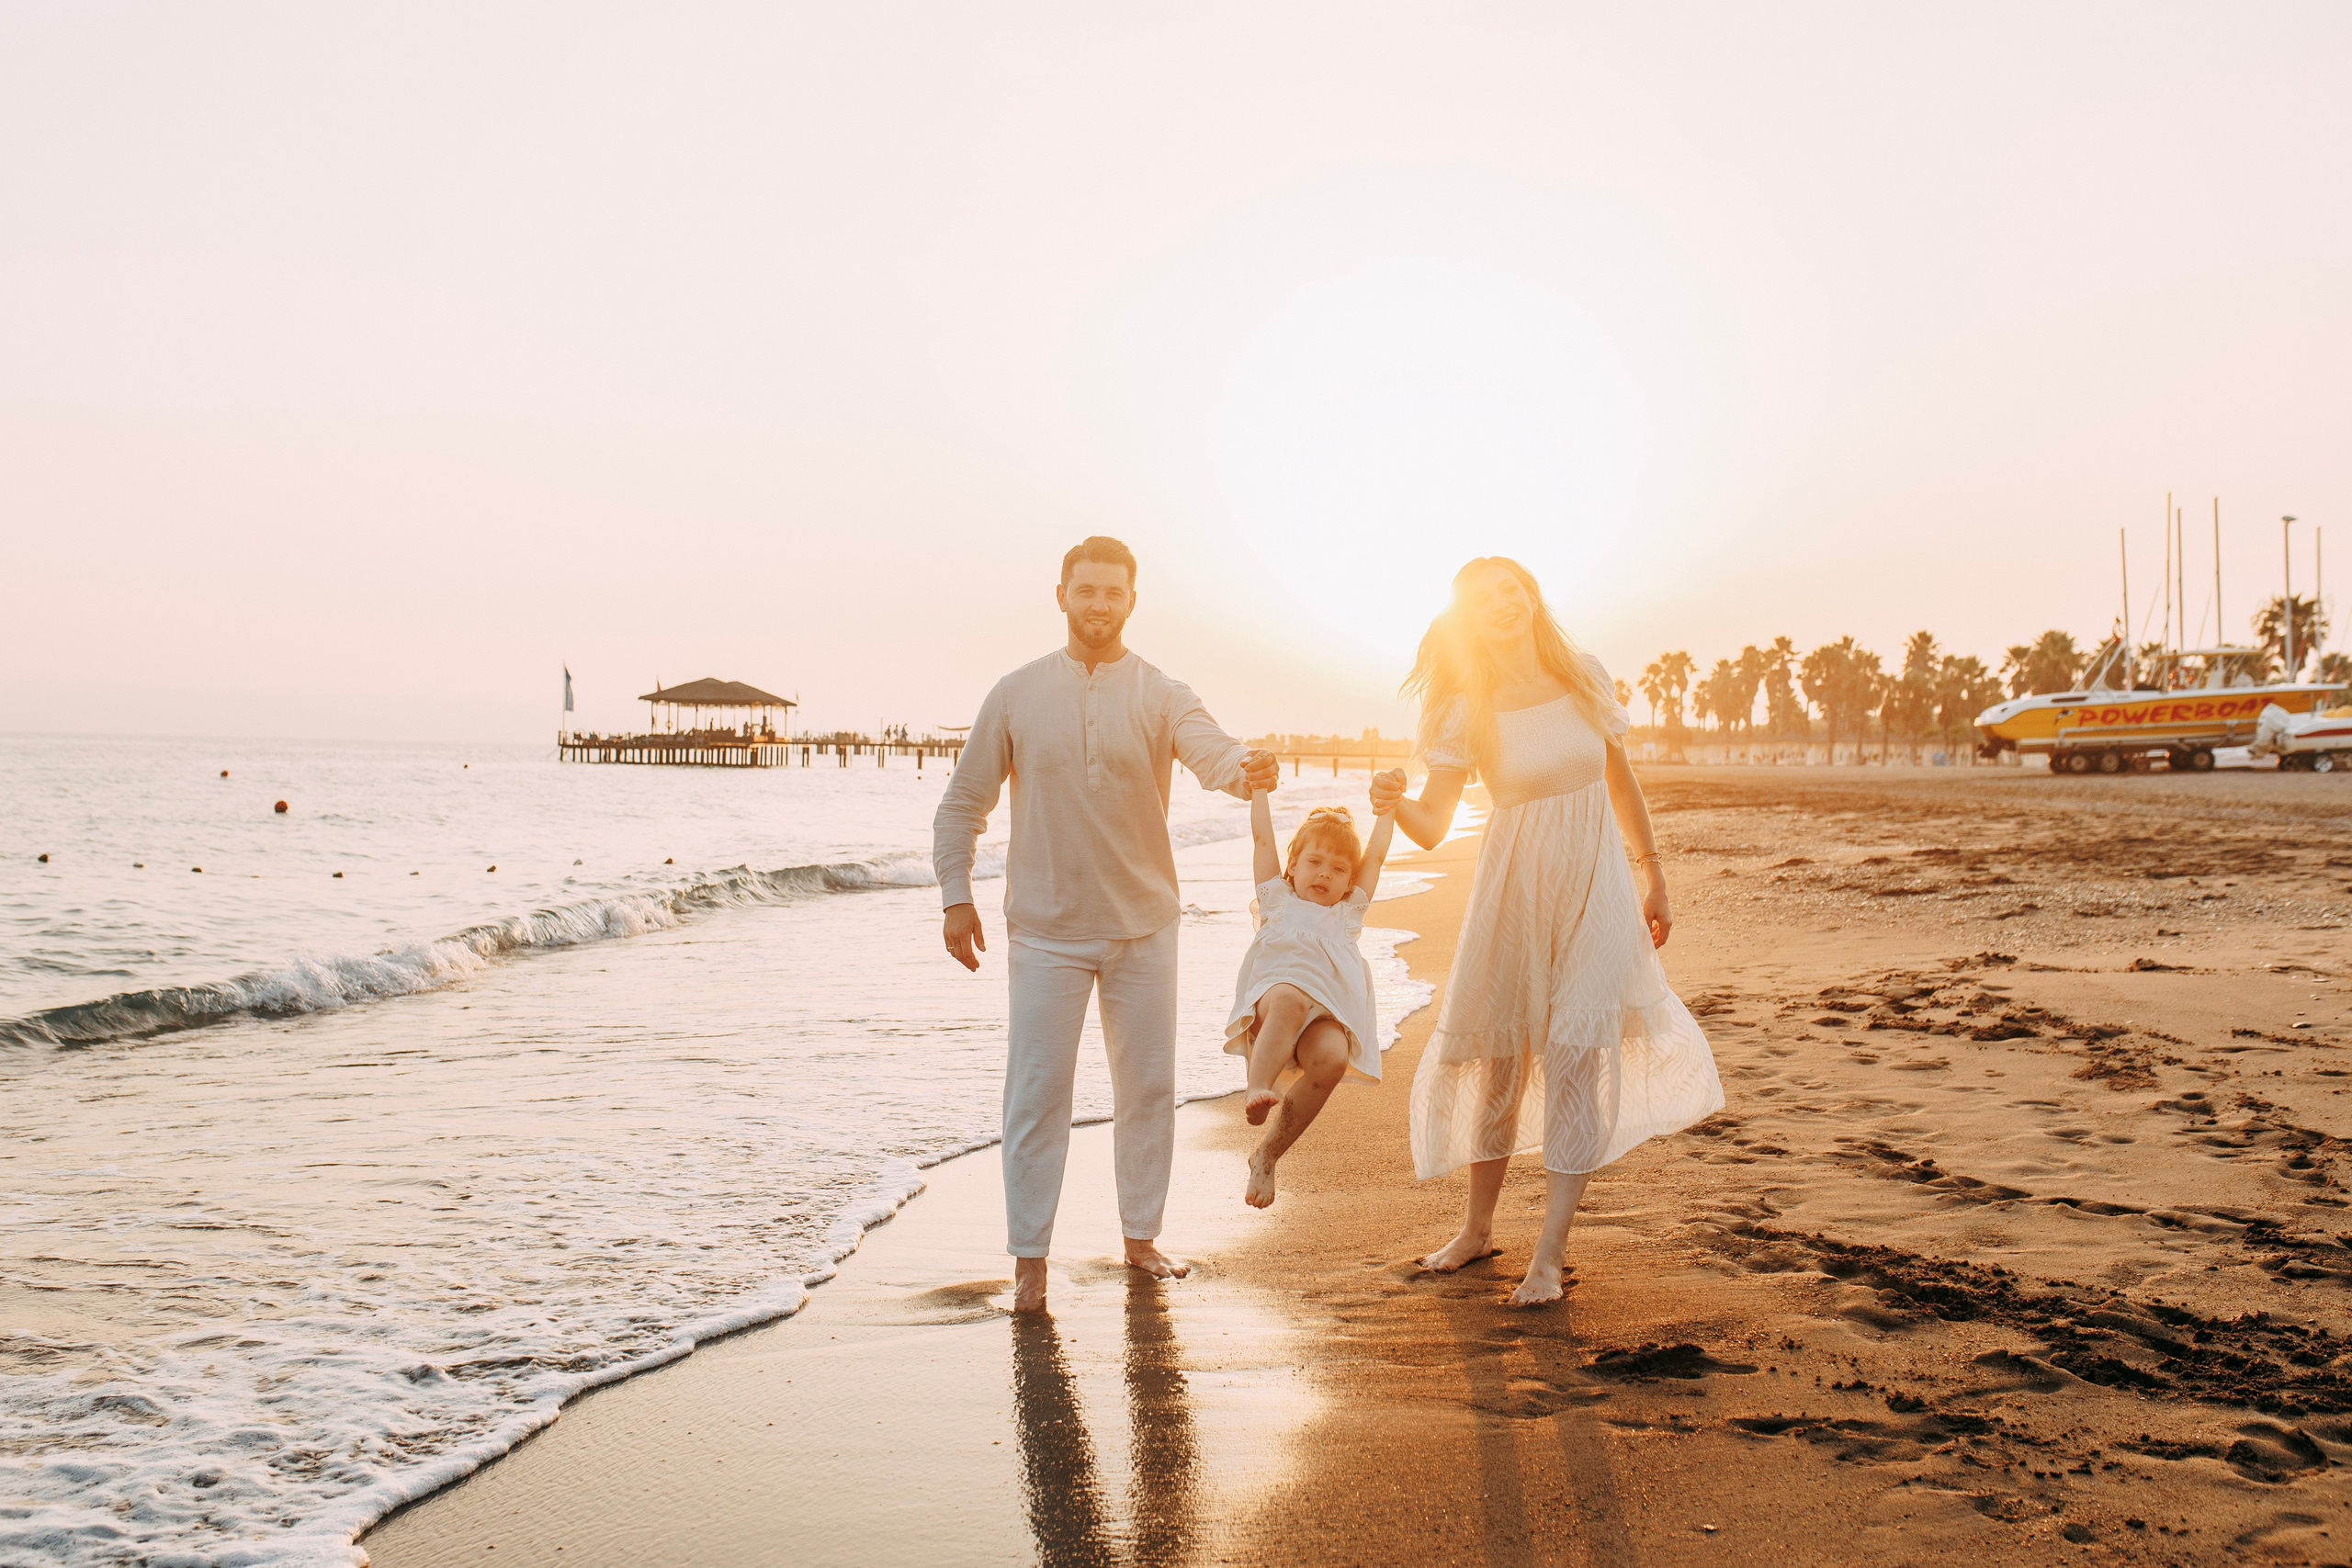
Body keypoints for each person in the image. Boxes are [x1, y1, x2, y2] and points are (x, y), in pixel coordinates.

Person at [933, 536, 1281, 1314]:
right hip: (1045, 931)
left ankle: (1141, 1240)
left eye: (1112, 592)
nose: (1098, 604)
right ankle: (1030, 1265)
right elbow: (964, 802)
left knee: (1148, 1089)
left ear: (1131, 600)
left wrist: (1247, 768)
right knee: (1036, 1093)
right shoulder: (1016, 692)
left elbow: (1216, 755)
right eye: (1084, 590)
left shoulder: (1161, 691)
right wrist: (956, 895)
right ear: (1060, 594)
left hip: (1144, 926)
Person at [1369, 557, 1724, 1305]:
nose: (1503, 603)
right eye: (1485, 598)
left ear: (1532, 597)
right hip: (1514, 895)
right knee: (1501, 1058)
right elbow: (1432, 826)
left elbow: (1619, 780)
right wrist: (1392, 803)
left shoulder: (1585, 676)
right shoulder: (1468, 707)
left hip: (1596, 890)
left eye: (1513, 588)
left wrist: (1653, 873)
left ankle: (1550, 1258)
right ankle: (1476, 1229)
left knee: (1574, 1058)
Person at [1222, 795, 1396, 1208]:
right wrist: (1260, 791)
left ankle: (1268, 1154)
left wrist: (1389, 806)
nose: (1324, 874)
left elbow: (1376, 856)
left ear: (1350, 881)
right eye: (1314, 862)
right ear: (1292, 866)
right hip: (1275, 1004)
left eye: (1338, 869)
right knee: (1289, 999)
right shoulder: (1277, 901)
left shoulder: (1348, 912)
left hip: (1324, 1014)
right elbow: (1262, 839)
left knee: (1333, 1059)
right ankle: (1258, 1087)